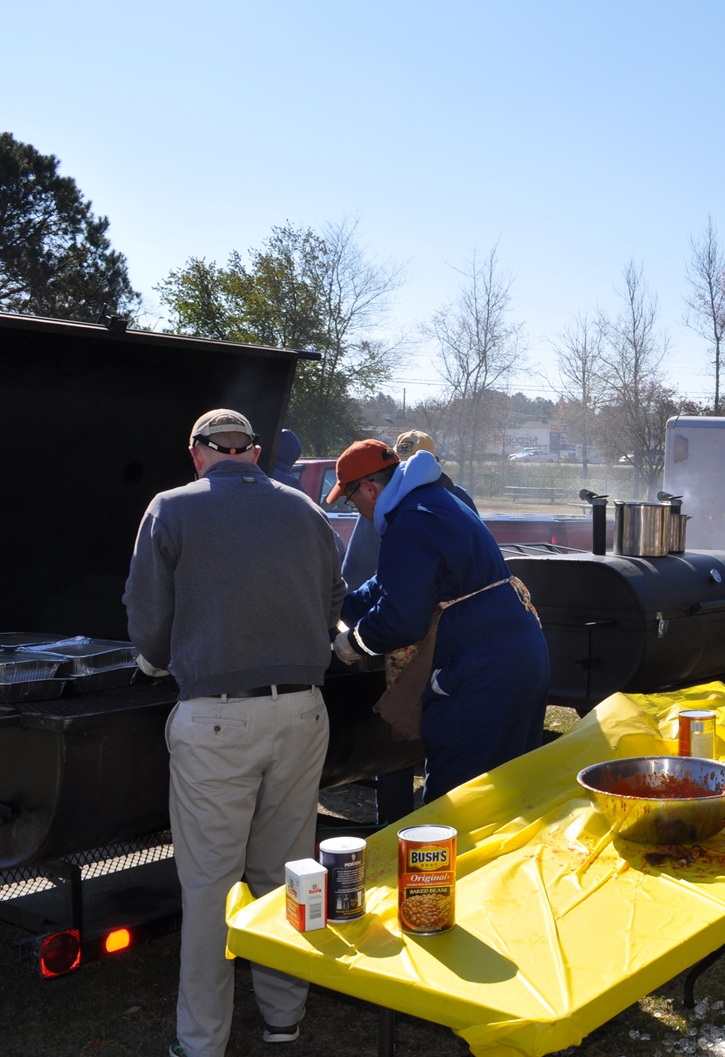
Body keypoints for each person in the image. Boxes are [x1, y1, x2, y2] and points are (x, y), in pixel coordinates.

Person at [123, 409, 346, 1057]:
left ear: (198, 453)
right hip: (304, 712)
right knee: (285, 872)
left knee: (211, 886)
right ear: (251, 452)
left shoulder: (170, 508)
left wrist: (154, 660)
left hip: (216, 718)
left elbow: (147, 621)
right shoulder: (307, 512)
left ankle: (201, 1042)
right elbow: (335, 602)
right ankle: (284, 1016)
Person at [328, 437, 549, 801]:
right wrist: (338, 608)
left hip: (481, 665)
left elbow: (401, 620)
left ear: (369, 488)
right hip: (516, 653)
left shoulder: (410, 523)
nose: (356, 510)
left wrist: (348, 645)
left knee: (459, 796)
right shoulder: (432, 501)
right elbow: (389, 583)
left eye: (351, 501)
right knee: (510, 789)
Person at [340, 429, 475, 590]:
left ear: (435, 462)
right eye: (402, 466)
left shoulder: (458, 499)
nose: (408, 474)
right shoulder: (457, 499)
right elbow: (357, 568)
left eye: (415, 467)